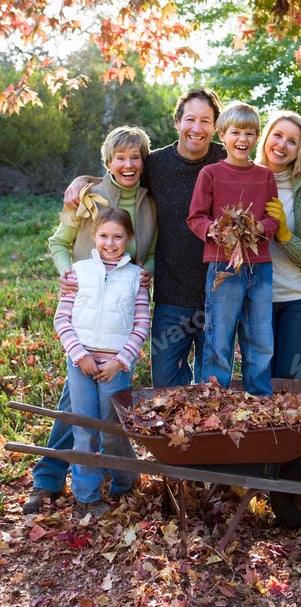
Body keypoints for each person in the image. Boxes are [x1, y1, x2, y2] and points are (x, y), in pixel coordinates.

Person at [23, 126, 156, 515]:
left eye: (136, 158)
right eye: (121, 157)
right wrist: (69, 274)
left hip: (119, 323)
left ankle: (121, 479)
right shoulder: (86, 193)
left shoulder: (149, 202)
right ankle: (52, 481)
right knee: (79, 416)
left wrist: (144, 272)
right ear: (108, 161)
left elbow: (152, 252)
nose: (128, 164)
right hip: (83, 308)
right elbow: (58, 242)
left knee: (101, 417)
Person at [61, 88, 224, 388]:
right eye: (190, 119)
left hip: (218, 296)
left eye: (206, 121)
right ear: (177, 122)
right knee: (166, 387)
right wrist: (83, 181)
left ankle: (204, 438)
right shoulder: (157, 164)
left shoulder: (227, 161)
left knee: (212, 388)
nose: (197, 128)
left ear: (216, 126)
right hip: (170, 299)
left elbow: (259, 178)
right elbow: (121, 175)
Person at [54, 208, 150, 517]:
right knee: (85, 429)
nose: (110, 243)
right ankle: (87, 497)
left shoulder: (137, 278)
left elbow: (141, 326)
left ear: (129, 239)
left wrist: (120, 361)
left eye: (118, 236)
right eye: (104, 235)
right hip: (80, 362)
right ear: (94, 237)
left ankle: (124, 481)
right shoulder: (78, 272)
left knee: (112, 429)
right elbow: (62, 319)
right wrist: (79, 355)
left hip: (115, 367)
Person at [187, 101, 280, 395]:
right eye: (236, 132)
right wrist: (213, 229)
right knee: (219, 337)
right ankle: (215, 397)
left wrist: (261, 227)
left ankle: (260, 396)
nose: (243, 140)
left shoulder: (265, 176)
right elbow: (195, 217)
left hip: (260, 266)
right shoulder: (210, 174)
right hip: (222, 267)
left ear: (257, 137)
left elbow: (273, 219)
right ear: (222, 135)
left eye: (251, 133)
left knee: (260, 338)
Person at [255, 110, 301, 379]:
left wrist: (284, 235)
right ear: (266, 137)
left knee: (291, 383)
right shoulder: (244, 177)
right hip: (256, 299)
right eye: (278, 135)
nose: (282, 145)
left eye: (292, 141)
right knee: (259, 379)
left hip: (298, 299)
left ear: (300, 149)